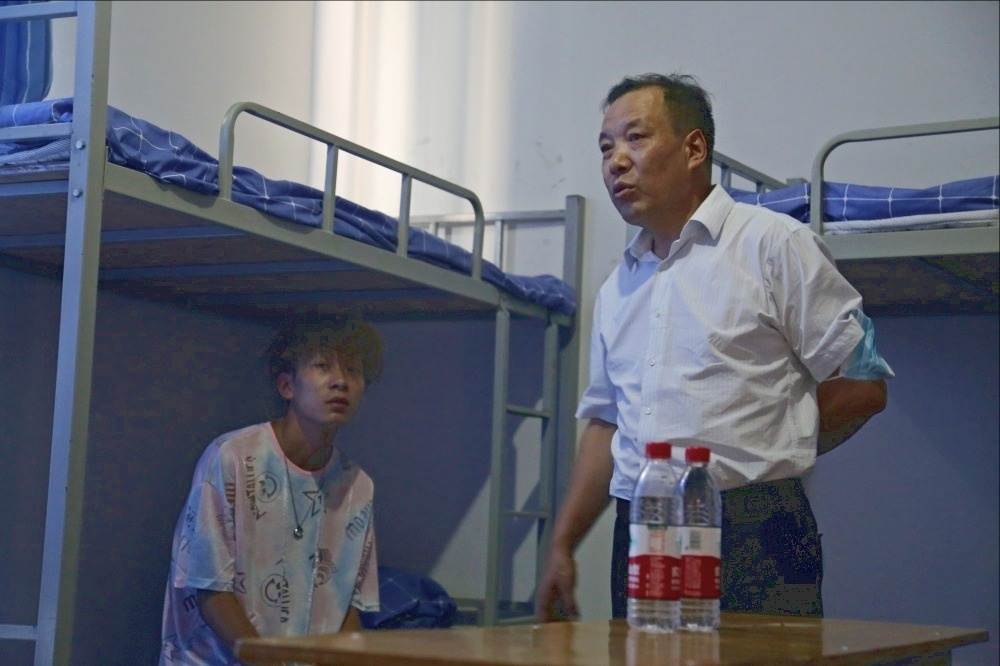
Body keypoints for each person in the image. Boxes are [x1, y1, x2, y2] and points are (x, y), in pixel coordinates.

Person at [535, 73, 892, 622]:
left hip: (757, 531)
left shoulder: (775, 244)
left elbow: (863, 383)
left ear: (695, 148)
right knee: (643, 661)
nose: (616, 162)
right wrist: (562, 544)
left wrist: (770, 450)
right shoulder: (616, 288)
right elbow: (606, 426)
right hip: (642, 533)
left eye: (636, 138)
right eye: (605, 148)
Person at [160, 314, 384, 664]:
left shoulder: (357, 485)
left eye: (354, 370)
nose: (340, 382)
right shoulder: (232, 456)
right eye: (323, 366)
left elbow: (346, 606)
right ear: (287, 386)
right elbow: (209, 589)